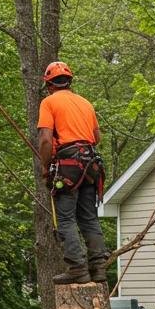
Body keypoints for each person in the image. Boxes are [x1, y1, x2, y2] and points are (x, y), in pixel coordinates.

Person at [37, 61, 109, 284]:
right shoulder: (85, 103)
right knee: (88, 217)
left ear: (49, 85)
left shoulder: (49, 102)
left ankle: (77, 268)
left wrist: (45, 165)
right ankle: (98, 268)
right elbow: (96, 137)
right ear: (69, 82)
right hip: (90, 164)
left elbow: (46, 139)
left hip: (69, 164)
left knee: (66, 219)